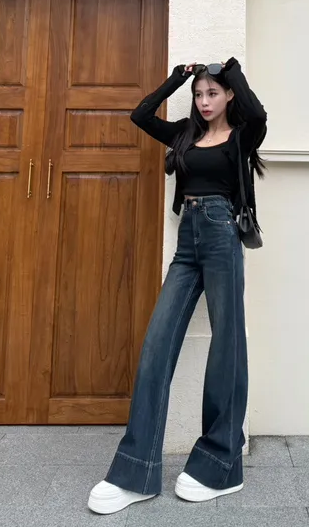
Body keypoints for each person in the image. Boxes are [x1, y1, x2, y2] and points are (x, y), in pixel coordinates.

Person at [88, 57, 267, 514]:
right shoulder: (185, 134)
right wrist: (178, 79)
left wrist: (230, 69)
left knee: (226, 346)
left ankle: (220, 466)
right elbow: (141, 115)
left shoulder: (242, 135)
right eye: (199, 95)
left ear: (227, 95)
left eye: (213, 93)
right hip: (188, 241)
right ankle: (136, 471)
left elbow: (258, 113)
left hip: (223, 235)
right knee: (157, 344)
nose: (205, 102)